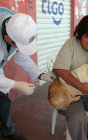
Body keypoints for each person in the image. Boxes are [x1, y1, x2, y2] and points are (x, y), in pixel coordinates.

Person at [0, 7, 50, 140]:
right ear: (7, 38)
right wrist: (15, 84)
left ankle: (7, 131)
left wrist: (40, 74)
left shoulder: (17, 25)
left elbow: (20, 55)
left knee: (3, 96)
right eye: (18, 44)